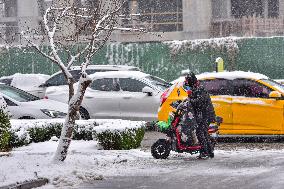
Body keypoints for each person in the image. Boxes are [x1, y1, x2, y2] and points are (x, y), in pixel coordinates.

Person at [184, 72, 216, 159]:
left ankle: (205, 152)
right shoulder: (196, 88)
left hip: (206, 115)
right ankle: (209, 152)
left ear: (191, 81)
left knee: (200, 132)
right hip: (203, 114)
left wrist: (190, 98)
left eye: (187, 82)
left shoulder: (200, 89)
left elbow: (199, 102)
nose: (186, 84)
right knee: (204, 133)